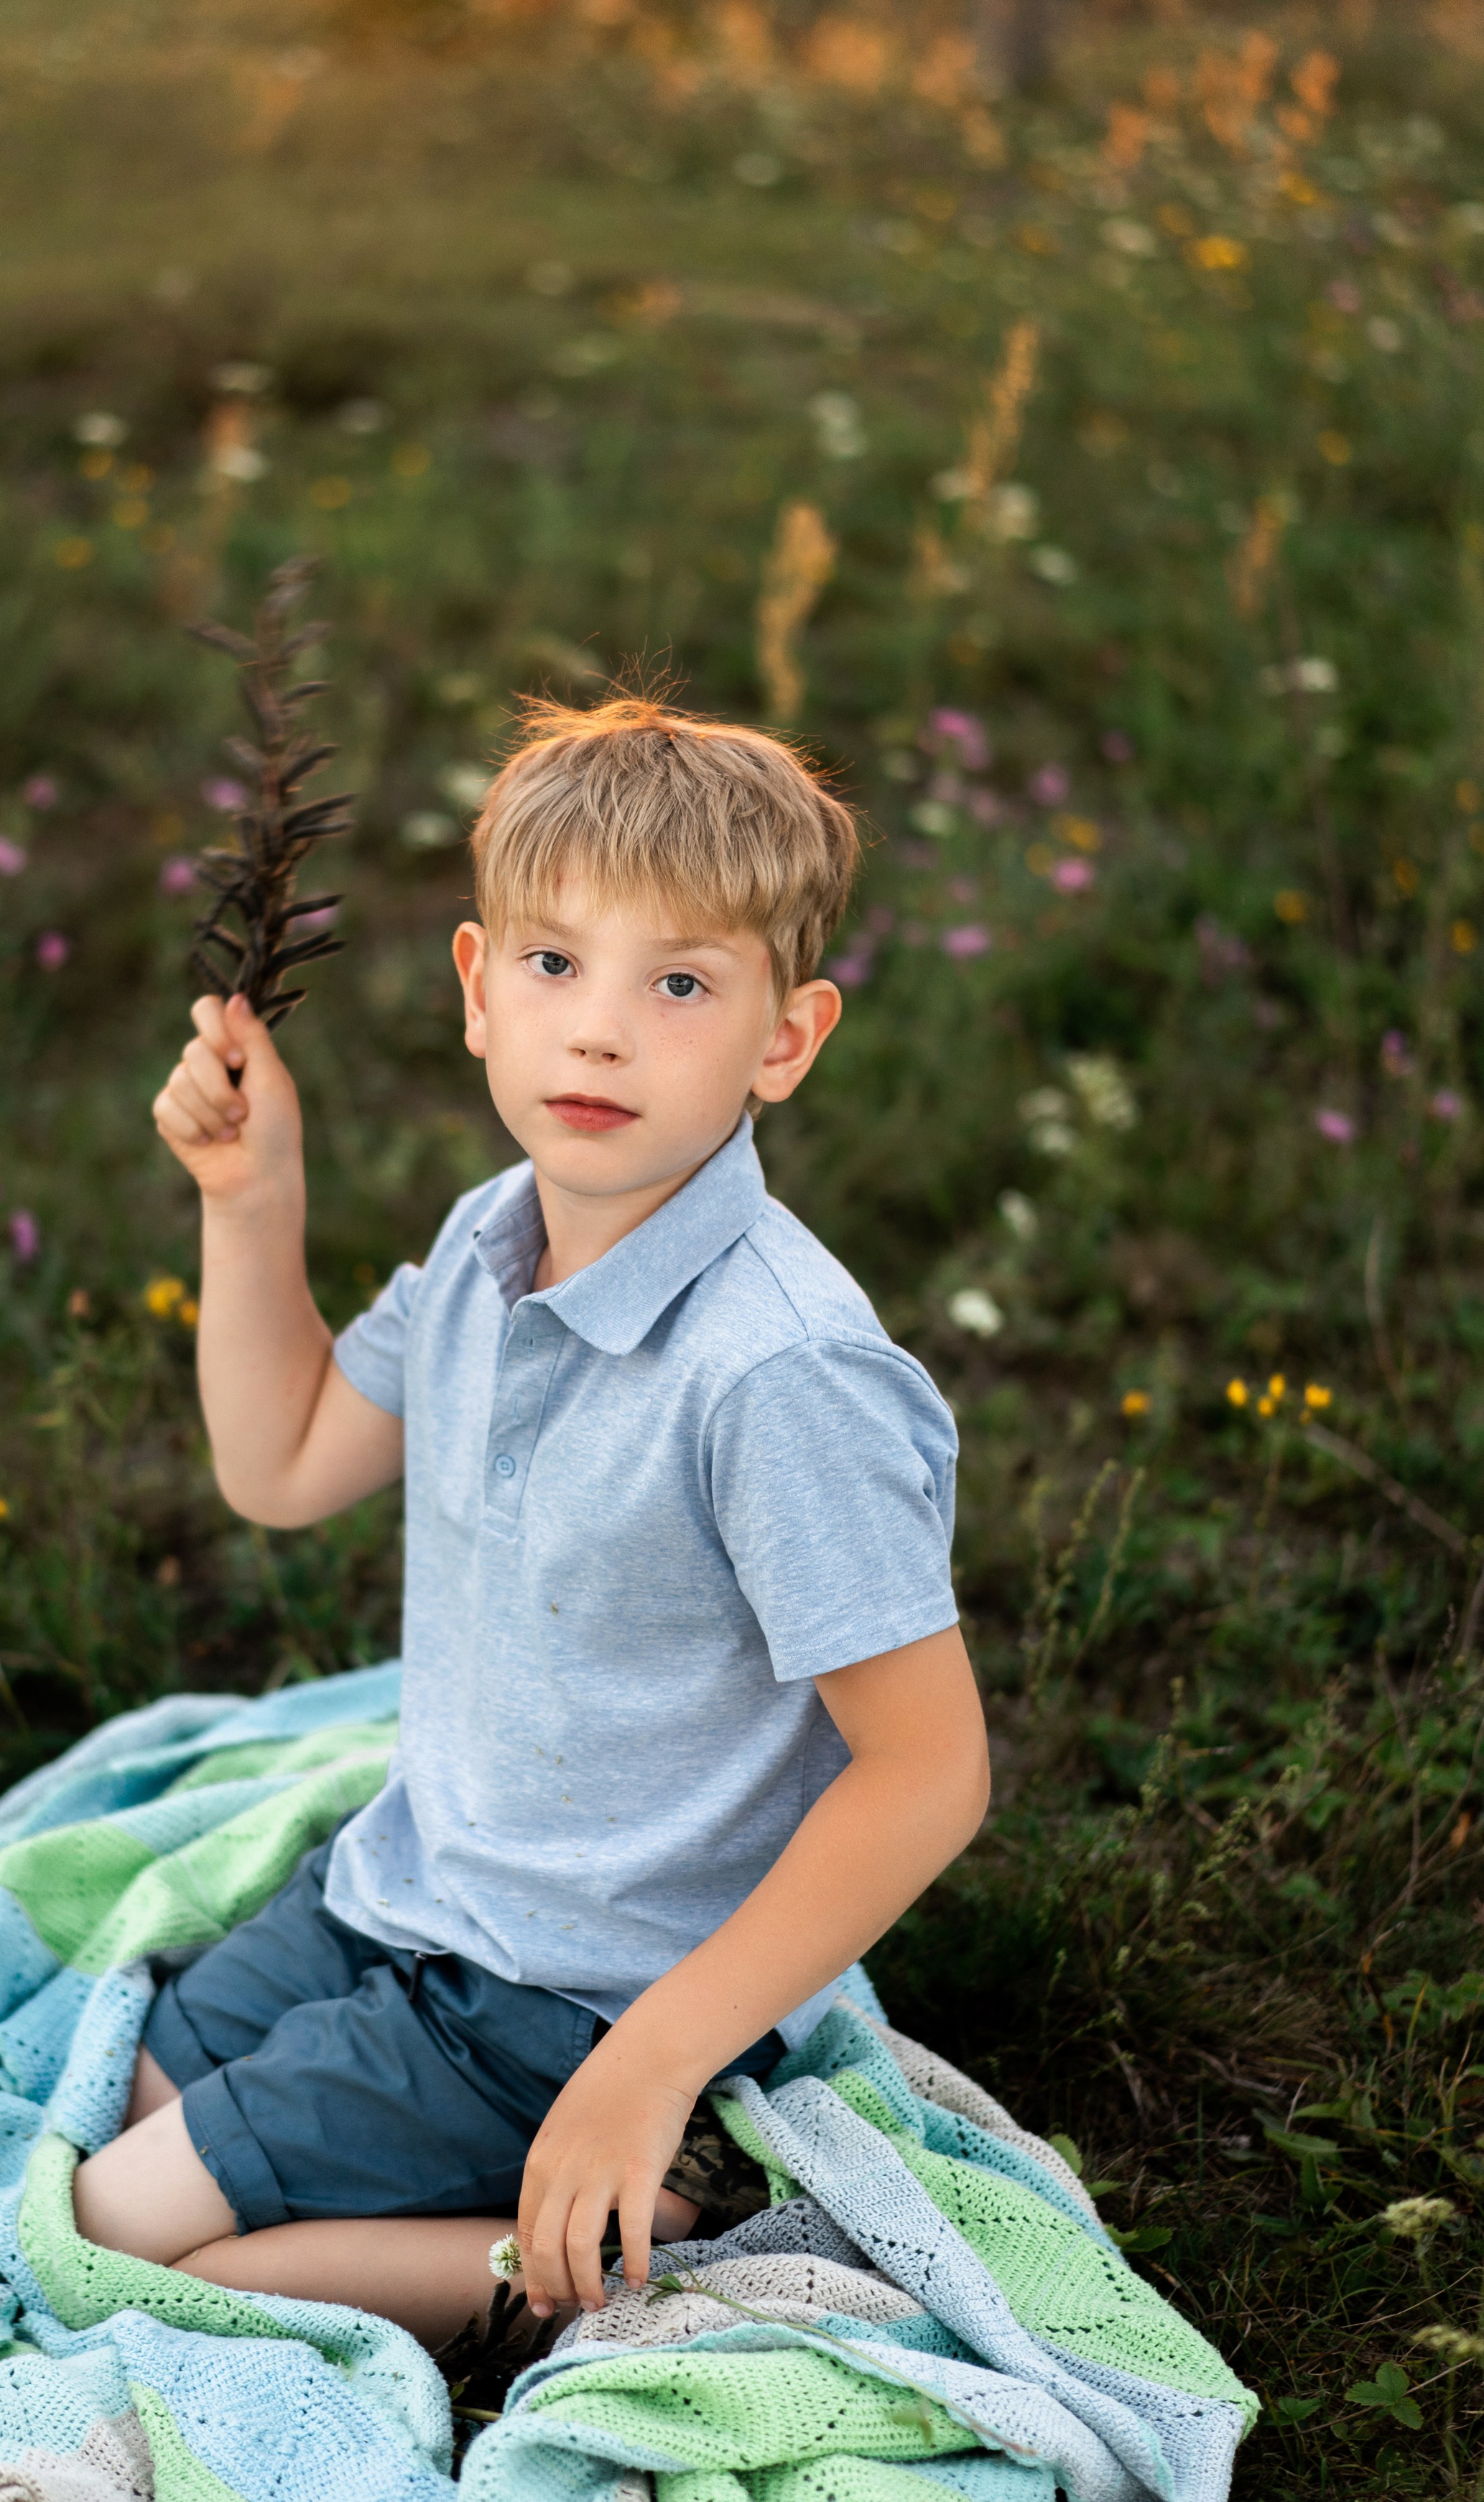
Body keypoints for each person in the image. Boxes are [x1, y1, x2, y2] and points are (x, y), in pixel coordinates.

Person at [73, 695, 990, 2351]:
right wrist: (252, 1200)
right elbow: (278, 1465)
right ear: (476, 986)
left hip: (585, 1990)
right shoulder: (497, 1241)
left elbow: (927, 1768)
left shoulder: (778, 1375)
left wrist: (648, 2060)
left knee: (127, 2241)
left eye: (682, 984)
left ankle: (647, 2243)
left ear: (785, 1039)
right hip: (420, 1882)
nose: (599, 1035)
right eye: (556, 968)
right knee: (131, 2093)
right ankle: (529, 2192)